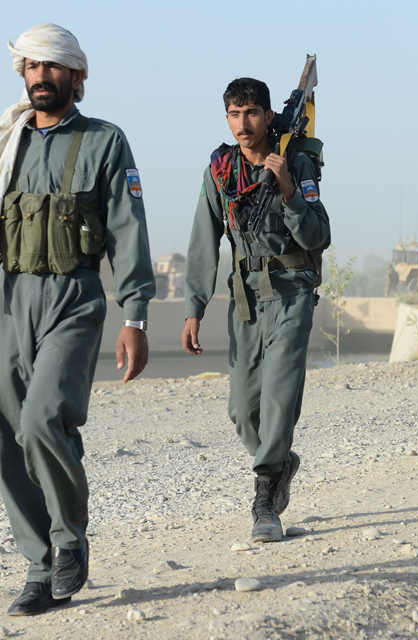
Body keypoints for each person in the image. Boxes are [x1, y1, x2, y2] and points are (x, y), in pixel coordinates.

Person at [0, 23, 155, 617]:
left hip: (74, 301)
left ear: (77, 77)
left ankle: (67, 541)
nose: (39, 77)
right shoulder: (4, 142)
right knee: (9, 438)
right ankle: (39, 569)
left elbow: (129, 232)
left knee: (41, 420)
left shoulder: (106, 142)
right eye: (31, 67)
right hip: (6, 304)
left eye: (51, 67)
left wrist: (136, 316)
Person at [181, 77, 330, 543]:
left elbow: (318, 235)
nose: (243, 124)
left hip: (291, 291)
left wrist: (287, 190)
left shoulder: (296, 162)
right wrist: (194, 307)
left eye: (251, 114)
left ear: (268, 115)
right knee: (242, 410)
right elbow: (204, 238)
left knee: (279, 396)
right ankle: (281, 462)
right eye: (234, 114)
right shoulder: (221, 170)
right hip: (244, 295)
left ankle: (265, 496)